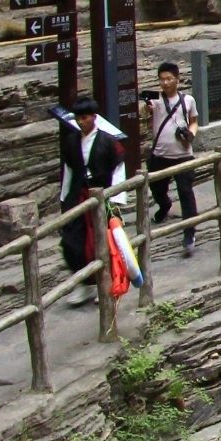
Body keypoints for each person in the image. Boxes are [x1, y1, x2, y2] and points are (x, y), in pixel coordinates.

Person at [58, 97, 126, 305]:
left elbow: (118, 170)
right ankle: (84, 284)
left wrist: (116, 198)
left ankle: (103, 282)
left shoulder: (108, 141)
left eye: (85, 117)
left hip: (101, 195)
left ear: (94, 118)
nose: (81, 122)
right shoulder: (71, 142)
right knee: (72, 242)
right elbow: (68, 171)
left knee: (100, 241)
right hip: (78, 195)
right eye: (78, 118)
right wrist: (64, 198)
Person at [143, 61, 200, 257]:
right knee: (157, 188)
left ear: (177, 79)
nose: (165, 83)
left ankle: (190, 232)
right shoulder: (156, 101)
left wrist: (190, 134)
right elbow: (146, 112)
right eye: (162, 79)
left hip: (183, 155)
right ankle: (164, 204)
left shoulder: (188, 100)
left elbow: (193, 121)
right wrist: (146, 108)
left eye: (169, 79)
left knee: (185, 192)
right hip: (160, 154)